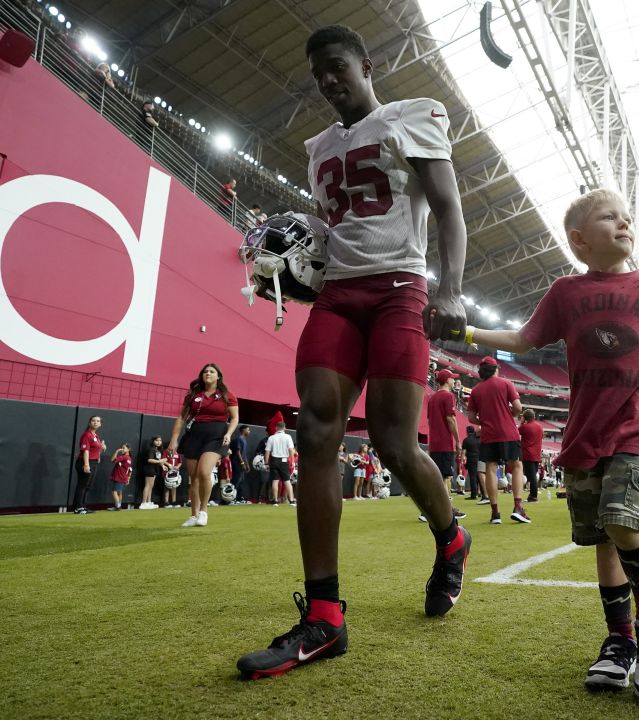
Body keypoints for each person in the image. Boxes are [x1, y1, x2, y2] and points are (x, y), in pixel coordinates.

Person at [236, 24, 472, 680]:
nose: (329, 81)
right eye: (319, 76)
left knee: (396, 446)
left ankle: (451, 538)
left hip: (402, 289)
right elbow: (334, 227)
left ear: (366, 65)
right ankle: (324, 618)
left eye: (337, 67)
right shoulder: (317, 149)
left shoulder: (412, 117)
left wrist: (450, 289)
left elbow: (449, 209)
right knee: (316, 429)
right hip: (339, 296)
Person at [462, 188, 639, 701]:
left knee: (623, 522)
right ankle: (619, 640)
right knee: (602, 539)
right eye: (611, 218)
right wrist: (466, 330)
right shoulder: (565, 292)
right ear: (579, 241)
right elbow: (522, 339)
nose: (625, 223)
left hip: (636, 427)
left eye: (628, 218)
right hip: (584, 433)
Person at [168, 363, 239, 527]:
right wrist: (174, 439)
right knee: (193, 478)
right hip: (194, 435)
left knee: (204, 472)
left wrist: (228, 433)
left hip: (216, 436)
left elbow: (234, 418)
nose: (208, 373)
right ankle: (193, 515)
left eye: (212, 371)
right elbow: (181, 417)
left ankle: (204, 511)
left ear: (218, 376)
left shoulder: (227, 395)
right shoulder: (193, 395)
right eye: (205, 371)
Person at [467, 356, 528, 524]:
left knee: (490, 469)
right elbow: (518, 408)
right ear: (496, 369)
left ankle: (495, 513)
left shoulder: (476, 390)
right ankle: (517, 507)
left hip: (489, 434)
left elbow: (471, 417)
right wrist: (511, 415)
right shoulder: (506, 383)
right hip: (508, 432)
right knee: (516, 465)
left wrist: (485, 421)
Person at [423, 369, 466, 521]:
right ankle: (443, 510)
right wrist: (458, 440)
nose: (454, 381)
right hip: (444, 443)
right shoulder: (448, 396)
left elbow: (429, 421)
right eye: (452, 379)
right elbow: (451, 419)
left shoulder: (432, 398)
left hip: (434, 443)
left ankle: (433, 509)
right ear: (447, 380)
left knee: (438, 476)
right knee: (444, 478)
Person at [72, 415, 105, 514]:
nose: (95, 422)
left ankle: (83, 506)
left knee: (88, 486)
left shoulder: (96, 436)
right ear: (89, 423)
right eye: (93, 420)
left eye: (98, 421)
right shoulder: (87, 435)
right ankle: (78, 507)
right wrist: (86, 465)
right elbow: (86, 451)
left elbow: (95, 450)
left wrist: (102, 449)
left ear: (100, 424)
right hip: (85, 462)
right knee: (82, 485)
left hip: (94, 462)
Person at [266, 421, 297, 507]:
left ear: (276, 428)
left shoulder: (271, 438)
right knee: (287, 481)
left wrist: (266, 463)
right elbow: (291, 450)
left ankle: (275, 501)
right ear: (285, 428)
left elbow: (267, 452)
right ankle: (291, 501)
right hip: (284, 461)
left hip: (274, 461)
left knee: (275, 481)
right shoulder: (288, 437)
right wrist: (293, 462)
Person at [518, 409, 544, 503]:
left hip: (528, 454)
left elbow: (517, 432)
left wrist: (521, 423)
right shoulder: (540, 427)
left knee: (531, 476)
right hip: (536, 454)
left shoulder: (525, 427)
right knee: (533, 475)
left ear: (525, 417)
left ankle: (533, 496)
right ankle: (532, 495)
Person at [138, 436, 165, 509]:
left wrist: (162, 466)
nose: (159, 442)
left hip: (155, 469)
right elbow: (149, 460)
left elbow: (157, 460)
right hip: (149, 468)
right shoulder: (151, 450)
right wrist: (160, 461)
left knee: (151, 486)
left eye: (160, 440)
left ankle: (148, 502)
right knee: (148, 485)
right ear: (153, 441)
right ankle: (143, 503)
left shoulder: (158, 451)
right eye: (157, 440)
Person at [461, 425, 483, 501]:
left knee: (473, 477)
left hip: (471, 460)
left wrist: (462, 460)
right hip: (480, 459)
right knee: (480, 477)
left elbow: (463, 452)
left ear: (467, 431)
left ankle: (474, 494)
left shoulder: (466, 440)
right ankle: (483, 493)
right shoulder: (480, 439)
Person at [108, 444, 132, 510]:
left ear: (128, 449)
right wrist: (128, 478)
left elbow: (112, 460)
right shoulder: (129, 458)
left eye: (124, 448)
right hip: (123, 477)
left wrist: (117, 451)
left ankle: (118, 506)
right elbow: (130, 470)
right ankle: (118, 506)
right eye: (121, 448)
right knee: (119, 492)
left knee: (114, 491)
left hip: (119, 477)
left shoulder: (124, 457)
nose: (122, 449)